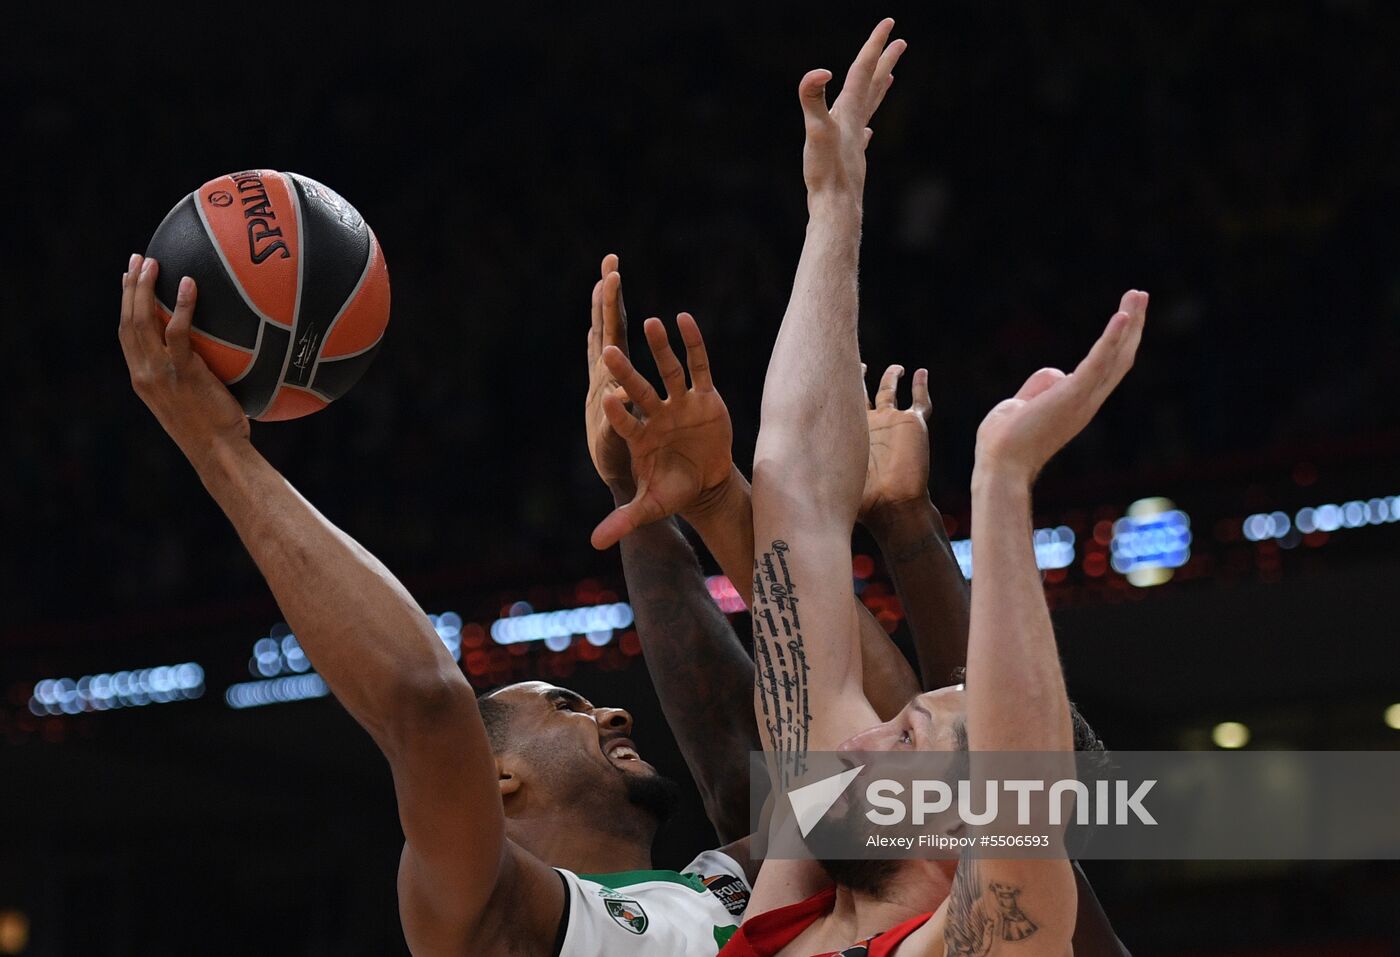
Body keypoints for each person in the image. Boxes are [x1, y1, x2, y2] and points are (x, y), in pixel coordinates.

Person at [593, 18, 1146, 954]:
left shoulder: (984, 941)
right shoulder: (792, 909)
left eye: (902, 735)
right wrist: (834, 203)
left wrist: (1003, 483)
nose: (859, 734)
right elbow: (799, 497)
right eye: (900, 727)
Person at [118, 255, 747, 956]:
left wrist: (642, 496)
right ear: (496, 776)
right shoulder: (499, 922)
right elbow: (427, 699)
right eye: (566, 705)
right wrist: (217, 446)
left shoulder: (743, 882)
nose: (619, 710)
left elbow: (760, 770)